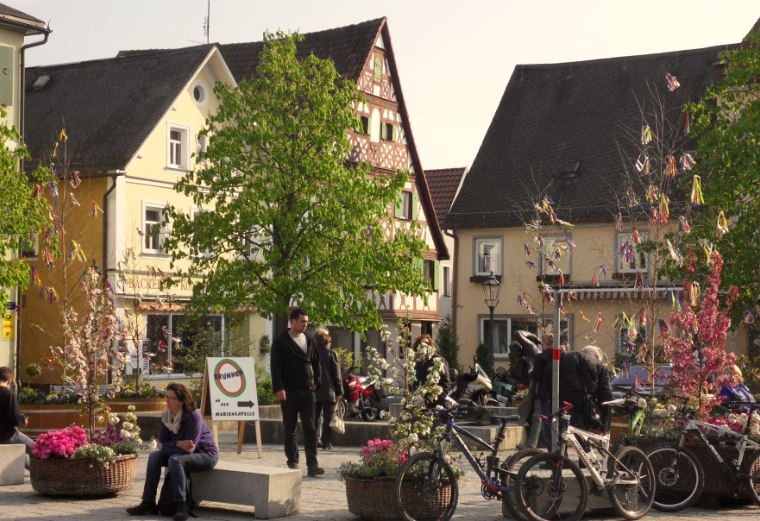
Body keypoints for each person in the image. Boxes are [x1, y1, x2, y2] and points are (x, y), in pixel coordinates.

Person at [127, 382, 218, 521]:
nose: (167, 401)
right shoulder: (166, 416)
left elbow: (189, 449)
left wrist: (167, 446)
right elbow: (161, 442)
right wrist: (177, 443)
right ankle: (148, 502)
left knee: (175, 460)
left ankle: (182, 505)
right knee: (154, 457)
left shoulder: (193, 417)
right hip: (178, 452)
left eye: (171, 398)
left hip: (204, 455)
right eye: (167, 397)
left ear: (181, 400)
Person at [270, 308, 323, 477]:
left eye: (307, 321)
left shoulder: (310, 339)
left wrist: (317, 382)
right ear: (293, 321)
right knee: (290, 427)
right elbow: (275, 366)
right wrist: (279, 388)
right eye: (302, 321)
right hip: (289, 391)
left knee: (310, 427)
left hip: (307, 391)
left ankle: (312, 465)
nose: (305, 324)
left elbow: (316, 363)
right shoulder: (281, 341)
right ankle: (292, 460)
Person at [314, 328, 342, 450]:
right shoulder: (331, 354)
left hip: (315, 391)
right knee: (328, 419)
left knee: (314, 418)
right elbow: (336, 375)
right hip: (329, 391)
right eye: (330, 341)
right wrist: (339, 391)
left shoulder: (312, 353)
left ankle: (313, 442)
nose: (331, 343)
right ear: (326, 342)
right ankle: (326, 443)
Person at [0, 367, 34, 469]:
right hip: (7, 435)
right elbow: (14, 417)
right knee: (36, 448)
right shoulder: (8, 394)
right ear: (9, 380)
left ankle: (37, 471)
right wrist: (23, 420)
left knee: (21, 458)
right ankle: (44, 471)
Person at [412, 334, 452, 406]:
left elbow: (446, 383)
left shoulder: (439, 360)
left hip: (437, 403)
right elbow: (414, 383)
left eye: (426, 343)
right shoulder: (417, 363)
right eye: (421, 344)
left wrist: (438, 399)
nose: (424, 346)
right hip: (420, 404)